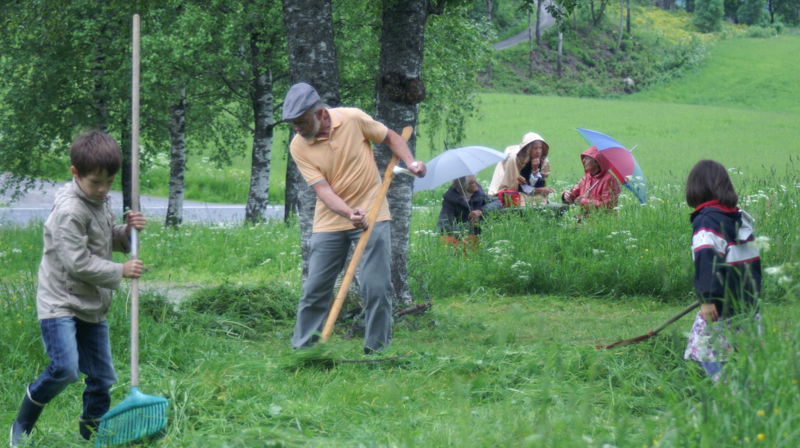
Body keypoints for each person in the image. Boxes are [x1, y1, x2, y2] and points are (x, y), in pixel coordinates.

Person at [10, 131, 146, 446]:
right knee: (65, 369)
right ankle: (22, 423)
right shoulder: (69, 212)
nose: (102, 190)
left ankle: (91, 433)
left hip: (91, 302)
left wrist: (128, 232)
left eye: (109, 183)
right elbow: (77, 262)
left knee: (103, 378)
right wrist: (120, 270)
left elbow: (104, 237)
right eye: (95, 183)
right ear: (75, 173)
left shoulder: (99, 200)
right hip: (60, 301)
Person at [283, 82, 425, 354]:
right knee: (315, 289)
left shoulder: (353, 119)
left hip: (373, 213)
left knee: (377, 287)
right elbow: (322, 190)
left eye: (301, 122)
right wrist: (349, 213)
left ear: (321, 113)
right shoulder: (298, 147)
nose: (298, 129)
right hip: (330, 220)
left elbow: (392, 138)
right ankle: (304, 351)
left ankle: (376, 350)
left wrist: (411, 162)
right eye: (293, 125)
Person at [683, 160, 762, 381]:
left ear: (696, 188)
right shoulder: (736, 217)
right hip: (747, 306)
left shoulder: (707, 221)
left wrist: (707, 298)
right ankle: (742, 398)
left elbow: (707, 261)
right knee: (742, 360)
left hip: (721, 310)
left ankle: (731, 400)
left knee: (709, 357)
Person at [437, 175, 499, 251]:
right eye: (472, 182)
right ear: (463, 186)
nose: (476, 184)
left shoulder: (479, 194)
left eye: (475, 181)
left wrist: (482, 211)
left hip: (481, 235)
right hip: (460, 237)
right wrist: (468, 226)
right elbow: (444, 224)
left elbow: (497, 202)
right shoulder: (450, 199)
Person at [561, 146, 621, 212]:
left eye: (587, 158)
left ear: (597, 161)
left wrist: (584, 201)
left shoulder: (609, 180)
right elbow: (575, 193)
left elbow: (607, 206)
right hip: (582, 218)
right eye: (584, 158)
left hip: (599, 220)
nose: (583, 160)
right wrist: (567, 195)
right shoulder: (586, 177)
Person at [518, 136, 554, 204]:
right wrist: (540, 190)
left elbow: (540, 184)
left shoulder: (542, 162)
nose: (538, 151)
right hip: (521, 195)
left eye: (540, 148)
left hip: (534, 195)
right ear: (529, 149)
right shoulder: (522, 164)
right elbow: (523, 187)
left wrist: (535, 170)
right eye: (535, 148)